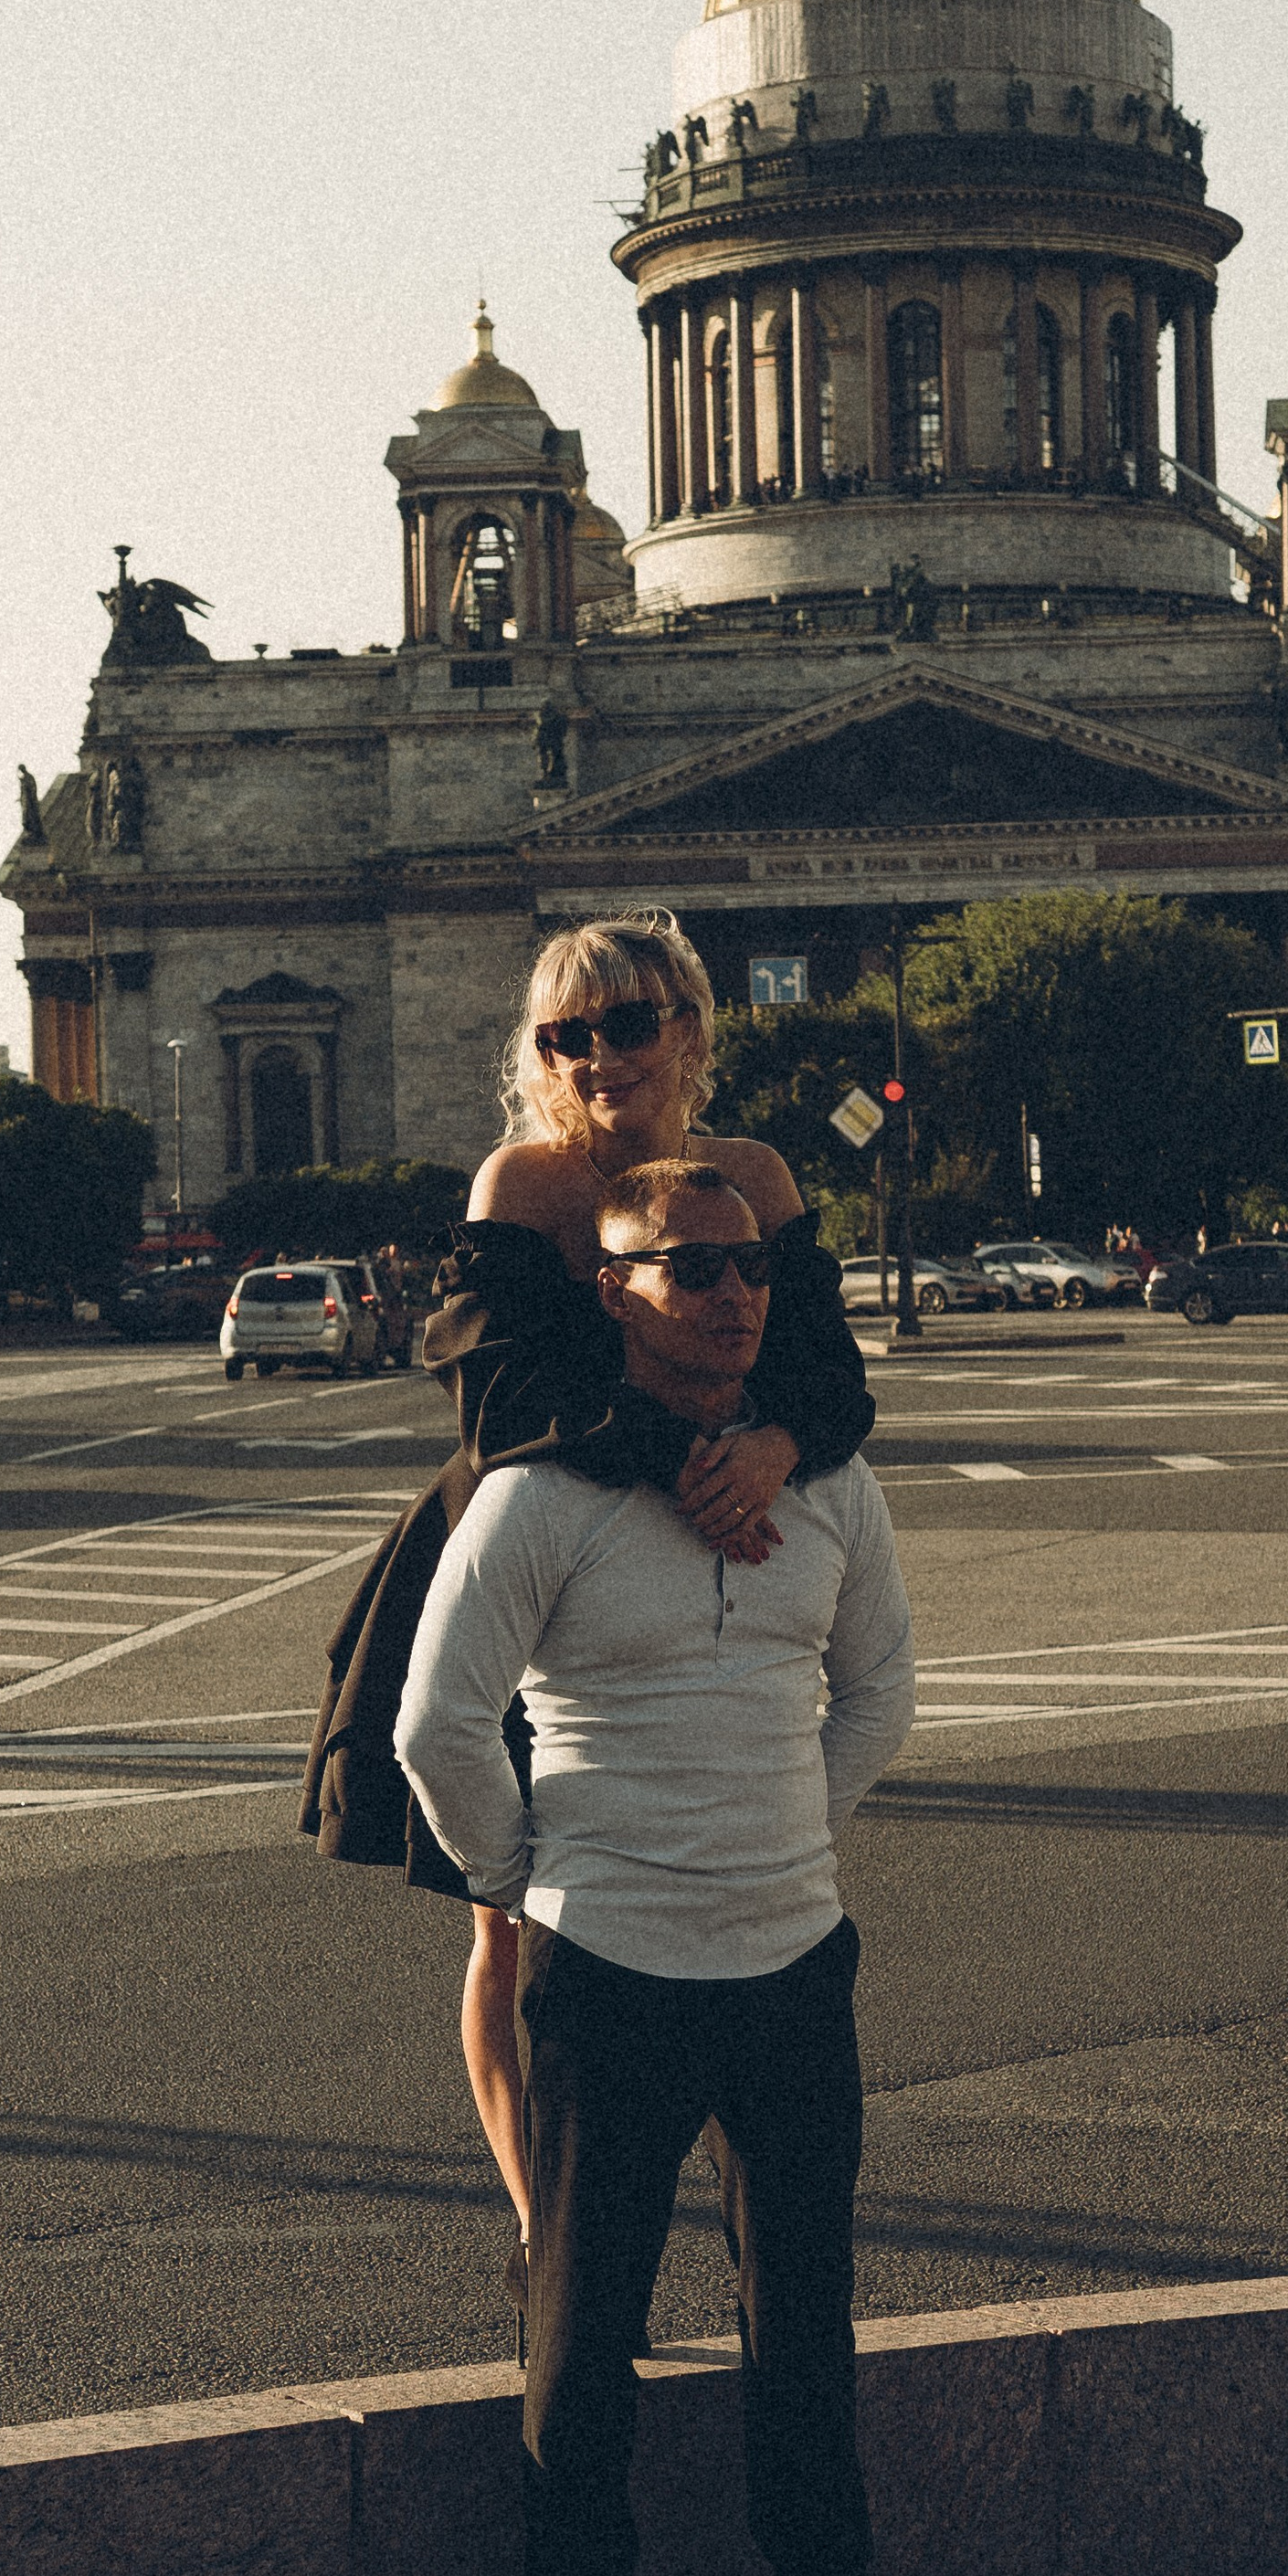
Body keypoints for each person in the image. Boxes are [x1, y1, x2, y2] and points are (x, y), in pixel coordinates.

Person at [396, 1159, 976, 2576]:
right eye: (689, 1270)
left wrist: (788, 1833)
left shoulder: (829, 1486)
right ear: (615, 1293)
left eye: (749, 1270)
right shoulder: (541, 1494)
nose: (731, 1294)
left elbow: (883, 1692)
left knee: (809, 2312)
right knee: (587, 2326)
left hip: (795, 1954)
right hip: (612, 1962)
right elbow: (437, 1722)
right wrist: (526, 1880)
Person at [300, 915, 871, 2320]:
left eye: (628, 1022)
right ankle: (541, 2226)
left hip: (716, 1536)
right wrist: (696, 1463)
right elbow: (495, 1402)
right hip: (517, 1553)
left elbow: (833, 1380)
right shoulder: (524, 1181)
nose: (599, 1055)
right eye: (567, 1034)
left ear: (689, 1024)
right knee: (510, 1922)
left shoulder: (754, 1181)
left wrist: (778, 1451)